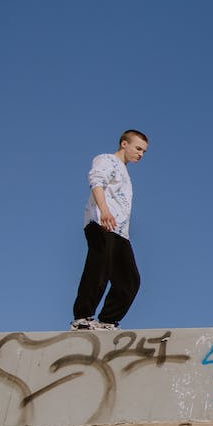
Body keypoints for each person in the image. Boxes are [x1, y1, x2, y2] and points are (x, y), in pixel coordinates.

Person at [71, 130, 149, 330]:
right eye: (138, 148)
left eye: (144, 152)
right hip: (101, 223)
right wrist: (104, 211)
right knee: (99, 268)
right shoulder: (106, 160)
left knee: (130, 279)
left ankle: (107, 321)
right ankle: (82, 317)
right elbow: (96, 181)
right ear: (124, 144)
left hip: (120, 232)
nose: (140, 154)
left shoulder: (124, 171)